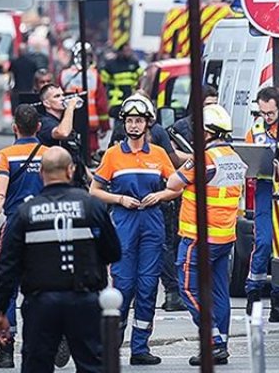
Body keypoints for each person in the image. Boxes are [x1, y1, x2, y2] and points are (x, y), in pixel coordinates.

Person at [0, 146, 121, 373]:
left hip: (41, 304)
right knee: (93, 365)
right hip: (85, 300)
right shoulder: (91, 206)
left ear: (41, 173)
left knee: (37, 366)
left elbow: (7, 266)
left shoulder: (25, 212)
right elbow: (113, 252)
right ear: (70, 170)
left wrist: (0, 310)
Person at [89, 96, 180, 366]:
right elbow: (94, 191)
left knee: (148, 286)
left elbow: (177, 186)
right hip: (124, 222)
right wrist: (119, 200)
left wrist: (161, 195)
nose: (134, 125)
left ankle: (140, 346)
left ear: (147, 123)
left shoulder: (159, 155)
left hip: (152, 221)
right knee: (123, 286)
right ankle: (112, 342)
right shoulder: (113, 155)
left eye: (138, 120)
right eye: (130, 120)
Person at [165, 104, 247, 366]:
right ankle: (221, 342)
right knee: (219, 292)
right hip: (224, 237)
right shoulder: (232, 156)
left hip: (198, 237)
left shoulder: (203, 157)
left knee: (188, 288)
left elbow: (173, 183)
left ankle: (213, 341)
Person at [0, 105, 48, 368]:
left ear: (14, 128)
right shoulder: (50, 154)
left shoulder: (5, 156)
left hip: (16, 227)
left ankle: (6, 350)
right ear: (39, 128)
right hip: (45, 225)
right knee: (43, 286)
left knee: (8, 286)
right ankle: (45, 339)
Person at [159, 85, 218, 311]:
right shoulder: (180, 128)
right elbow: (171, 157)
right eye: (207, 105)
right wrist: (197, 159)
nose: (212, 109)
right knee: (174, 243)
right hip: (182, 196)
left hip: (211, 202)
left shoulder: (218, 127)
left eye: (215, 104)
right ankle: (175, 290)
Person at [243, 87, 279, 322]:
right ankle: (253, 294)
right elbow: (247, 161)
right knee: (263, 242)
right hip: (265, 190)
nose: (267, 117)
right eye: (263, 112)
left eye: (271, 113)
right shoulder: (254, 130)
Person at [59, 42, 110, 157]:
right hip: (90, 125)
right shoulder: (94, 75)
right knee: (89, 156)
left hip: (70, 124)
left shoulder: (64, 75)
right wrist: (104, 126)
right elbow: (101, 104)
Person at [101, 44, 143, 111]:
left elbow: (141, 77)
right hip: (117, 100)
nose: (128, 53)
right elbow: (102, 82)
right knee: (118, 119)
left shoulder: (134, 63)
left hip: (131, 99)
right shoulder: (111, 64)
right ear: (120, 51)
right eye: (126, 51)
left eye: (129, 50)